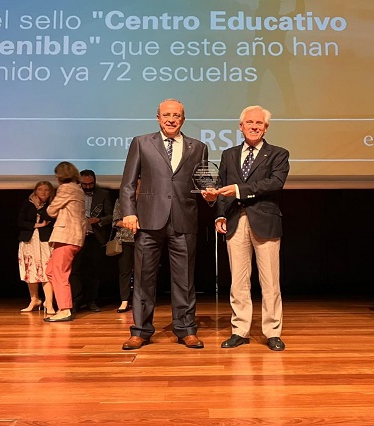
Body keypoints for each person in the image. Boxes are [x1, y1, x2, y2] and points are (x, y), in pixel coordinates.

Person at [119, 99, 208, 350]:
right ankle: (140, 331)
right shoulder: (141, 142)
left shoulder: (198, 147)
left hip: (184, 220)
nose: (171, 119)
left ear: (183, 119)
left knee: (185, 280)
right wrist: (129, 212)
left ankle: (186, 329)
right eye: (166, 115)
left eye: (176, 115)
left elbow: (202, 183)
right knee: (144, 279)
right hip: (148, 221)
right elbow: (128, 183)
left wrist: (210, 194)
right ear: (158, 117)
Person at [204, 105, 290, 351]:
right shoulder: (229, 154)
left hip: (265, 221)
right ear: (241, 127)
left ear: (266, 128)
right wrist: (220, 214)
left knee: (270, 281)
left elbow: (275, 183)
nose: (254, 126)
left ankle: (272, 332)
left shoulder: (278, 154)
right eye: (250, 122)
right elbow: (222, 186)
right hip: (234, 220)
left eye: (259, 123)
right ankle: (240, 330)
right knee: (238, 281)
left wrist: (239, 190)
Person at [44, 161, 86, 322]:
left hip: (66, 236)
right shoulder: (78, 188)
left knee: (59, 273)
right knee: (50, 271)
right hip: (73, 236)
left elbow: (51, 210)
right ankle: (62, 306)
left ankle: (65, 309)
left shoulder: (66, 188)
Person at [70, 169, 113, 312]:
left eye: (91, 184)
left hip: (95, 237)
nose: (88, 187)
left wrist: (99, 220)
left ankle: (92, 300)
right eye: (85, 184)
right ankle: (77, 300)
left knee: (94, 271)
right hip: (76, 236)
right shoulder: (74, 194)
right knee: (75, 270)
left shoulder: (103, 194)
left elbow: (110, 216)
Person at [17, 181, 56, 314]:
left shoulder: (53, 205)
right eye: (40, 189)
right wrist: (37, 225)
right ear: (35, 191)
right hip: (29, 241)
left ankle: (49, 302)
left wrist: (38, 207)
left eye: (46, 190)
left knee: (46, 270)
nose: (43, 192)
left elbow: (49, 218)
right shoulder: (27, 203)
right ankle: (34, 299)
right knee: (31, 269)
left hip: (45, 241)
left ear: (50, 192)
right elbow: (20, 221)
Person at [111, 180, 141, 313]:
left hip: (143, 240)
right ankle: (124, 301)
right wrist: (131, 223)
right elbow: (116, 221)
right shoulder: (121, 201)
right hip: (125, 239)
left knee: (143, 271)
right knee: (125, 271)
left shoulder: (148, 201)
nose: (137, 189)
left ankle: (140, 300)